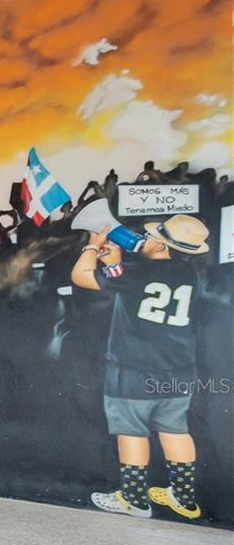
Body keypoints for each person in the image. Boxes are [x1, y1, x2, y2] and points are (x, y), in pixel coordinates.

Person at [69, 213, 210, 519]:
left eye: (150, 237)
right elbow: (131, 282)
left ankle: (134, 500)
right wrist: (116, 262)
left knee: (131, 431)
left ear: (161, 245)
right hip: (179, 369)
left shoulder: (137, 272)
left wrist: (92, 247)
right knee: (175, 430)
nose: (144, 240)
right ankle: (184, 499)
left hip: (132, 368)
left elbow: (81, 276)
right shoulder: (189, 273)